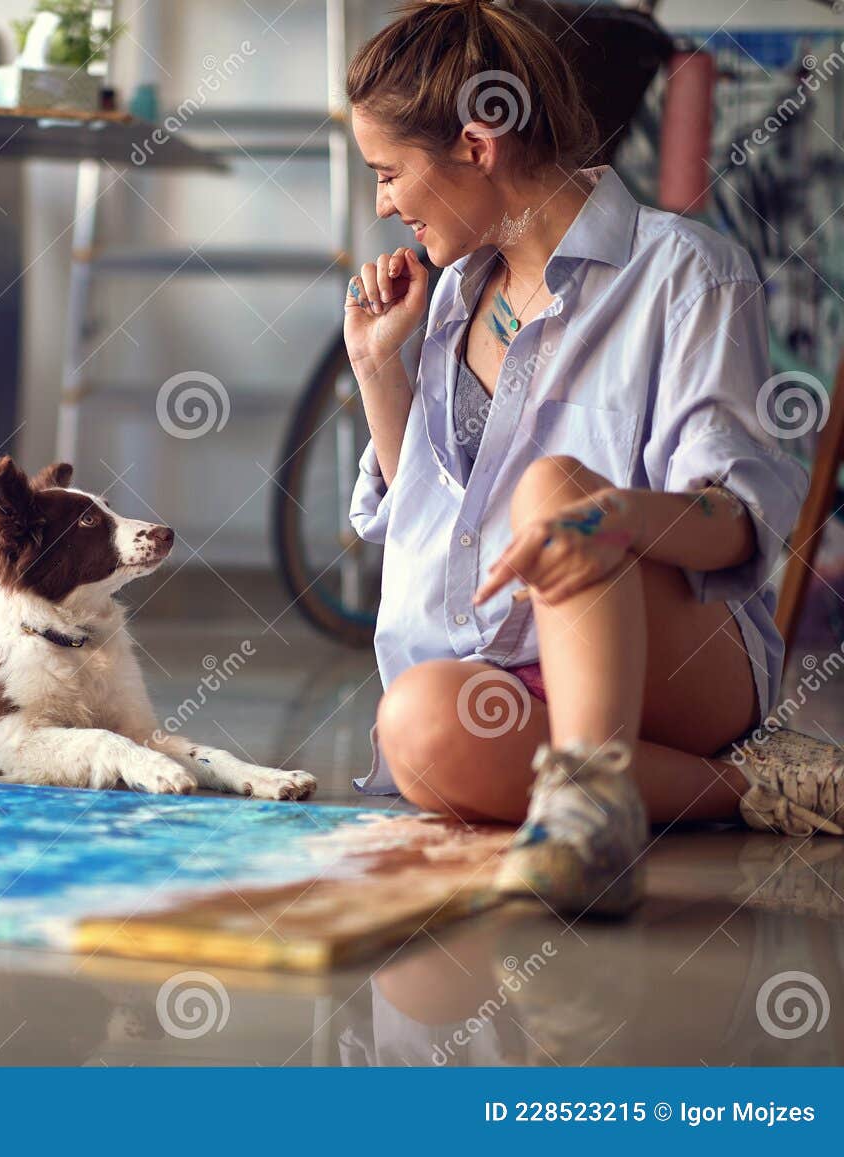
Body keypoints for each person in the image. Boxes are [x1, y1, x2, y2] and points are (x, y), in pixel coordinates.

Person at [342, 0, 836, 917]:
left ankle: (590, 825)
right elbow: (428, 515)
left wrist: (601, 515)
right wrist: (380, 367)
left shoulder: (686, 272)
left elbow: (737, 522)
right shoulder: (454, 296)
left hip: (674, 652)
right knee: (413, 726)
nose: (383, 204)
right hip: (510, 672)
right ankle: (752, 788)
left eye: (388, 173)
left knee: (556, 484)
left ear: (477, 146)